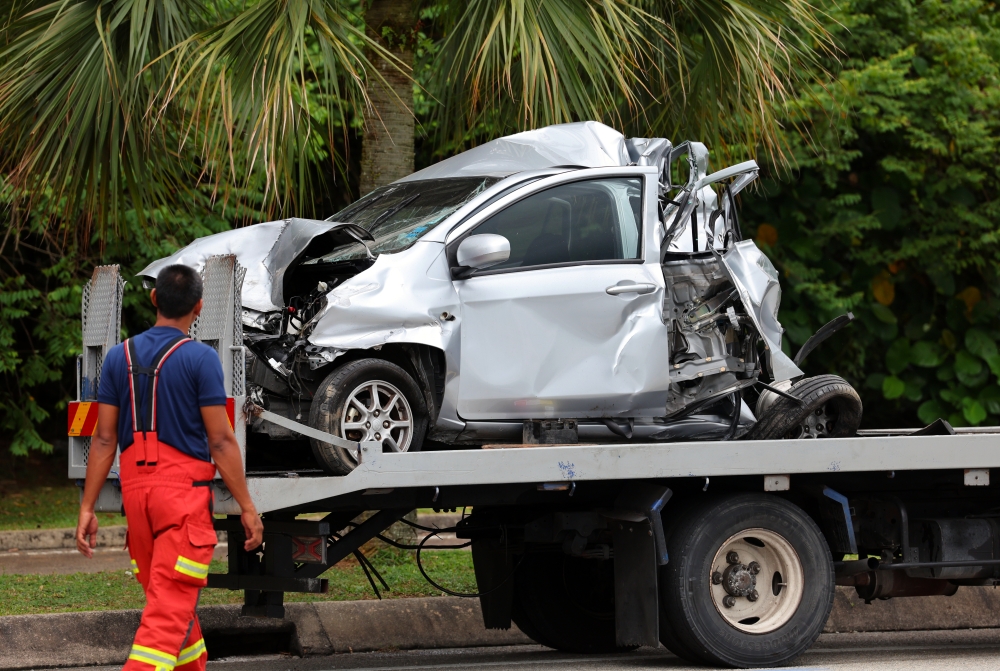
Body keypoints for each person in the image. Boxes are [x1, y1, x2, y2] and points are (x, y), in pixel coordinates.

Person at [75, 264, 264, 671]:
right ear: (198, 309)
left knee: (172, 608)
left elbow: (104, 440)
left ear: (154, 299)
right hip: (182, 501)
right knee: (164, 622)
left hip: (138, 500)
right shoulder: (201, 359)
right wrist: (247, 506)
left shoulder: (117, 357)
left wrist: (87, 508)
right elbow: (221, 440)